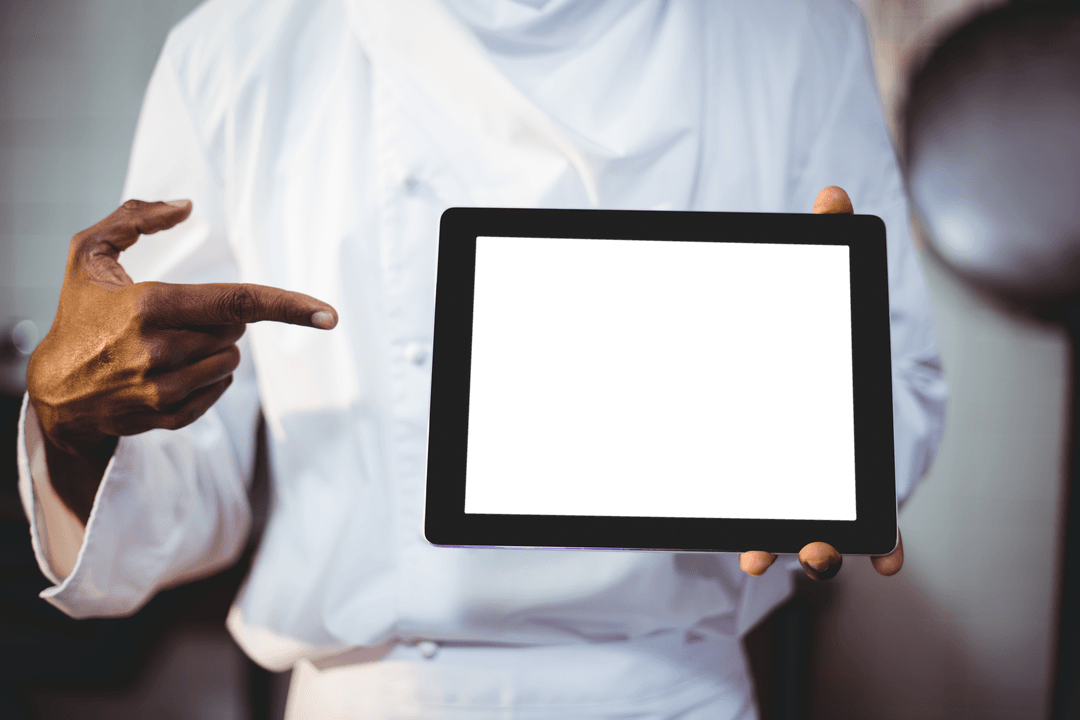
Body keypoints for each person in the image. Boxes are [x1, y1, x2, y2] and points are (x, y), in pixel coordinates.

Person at [18, 0, 947, 717]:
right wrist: (75, 432)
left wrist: (828, 457)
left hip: (667, 692)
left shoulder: (790, 29)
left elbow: (897, 381)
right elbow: (188, 484)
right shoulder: (240, 46)